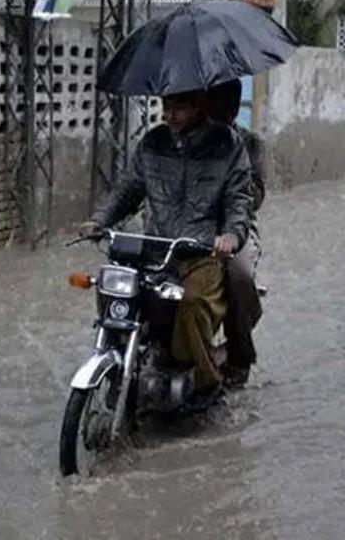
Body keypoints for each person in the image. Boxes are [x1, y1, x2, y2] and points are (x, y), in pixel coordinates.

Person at [80, 90, 253, 399]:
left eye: (180, 108)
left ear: (200, 107)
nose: (170, 115)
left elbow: (239, 199)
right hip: (155, 247)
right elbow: (128, 189)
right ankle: (120, 362)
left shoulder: (228, 145)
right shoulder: (152, 143)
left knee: (192, 302)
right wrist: (100, 220)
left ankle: (203, 381)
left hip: (200, 251)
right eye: (166, 107)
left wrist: (231, 235)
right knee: (112, 287)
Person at [205, 80, 266, 388]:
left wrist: (229, 191)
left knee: (239, 276)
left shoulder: (250, 143)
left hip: (237, 229)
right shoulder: (190, 140)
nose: (218, 112)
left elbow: (254, 196)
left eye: (225, 105)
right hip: (191, 226)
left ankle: (239, 356)